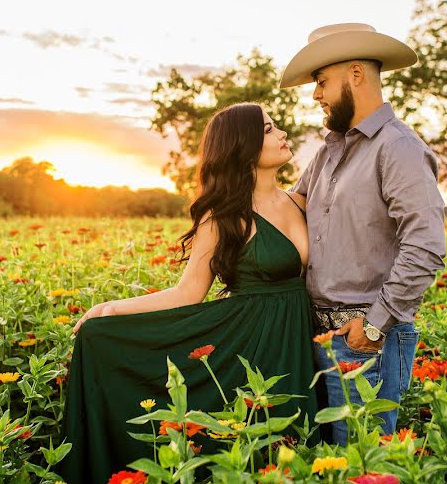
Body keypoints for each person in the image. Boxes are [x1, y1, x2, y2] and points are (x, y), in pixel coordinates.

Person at [56, 102, 318, 483]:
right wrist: (112, 308)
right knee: (249, 451)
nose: (281, 135)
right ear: (242, 145)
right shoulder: (225, 215)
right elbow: (187, 293)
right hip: (247, 343)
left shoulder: (301, 201)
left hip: (294, 337)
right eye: (268, 129)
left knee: (297, 448)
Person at [279, 23, 447, 444]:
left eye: (321, 82)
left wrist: (373, 327)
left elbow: (426, 247)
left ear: (355, 74)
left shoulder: (398, 147)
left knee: (364, 463)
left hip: (367, 341)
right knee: (330, 464)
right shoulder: (328, 152)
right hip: (317, 335)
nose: (316, 95)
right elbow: (289, 208)